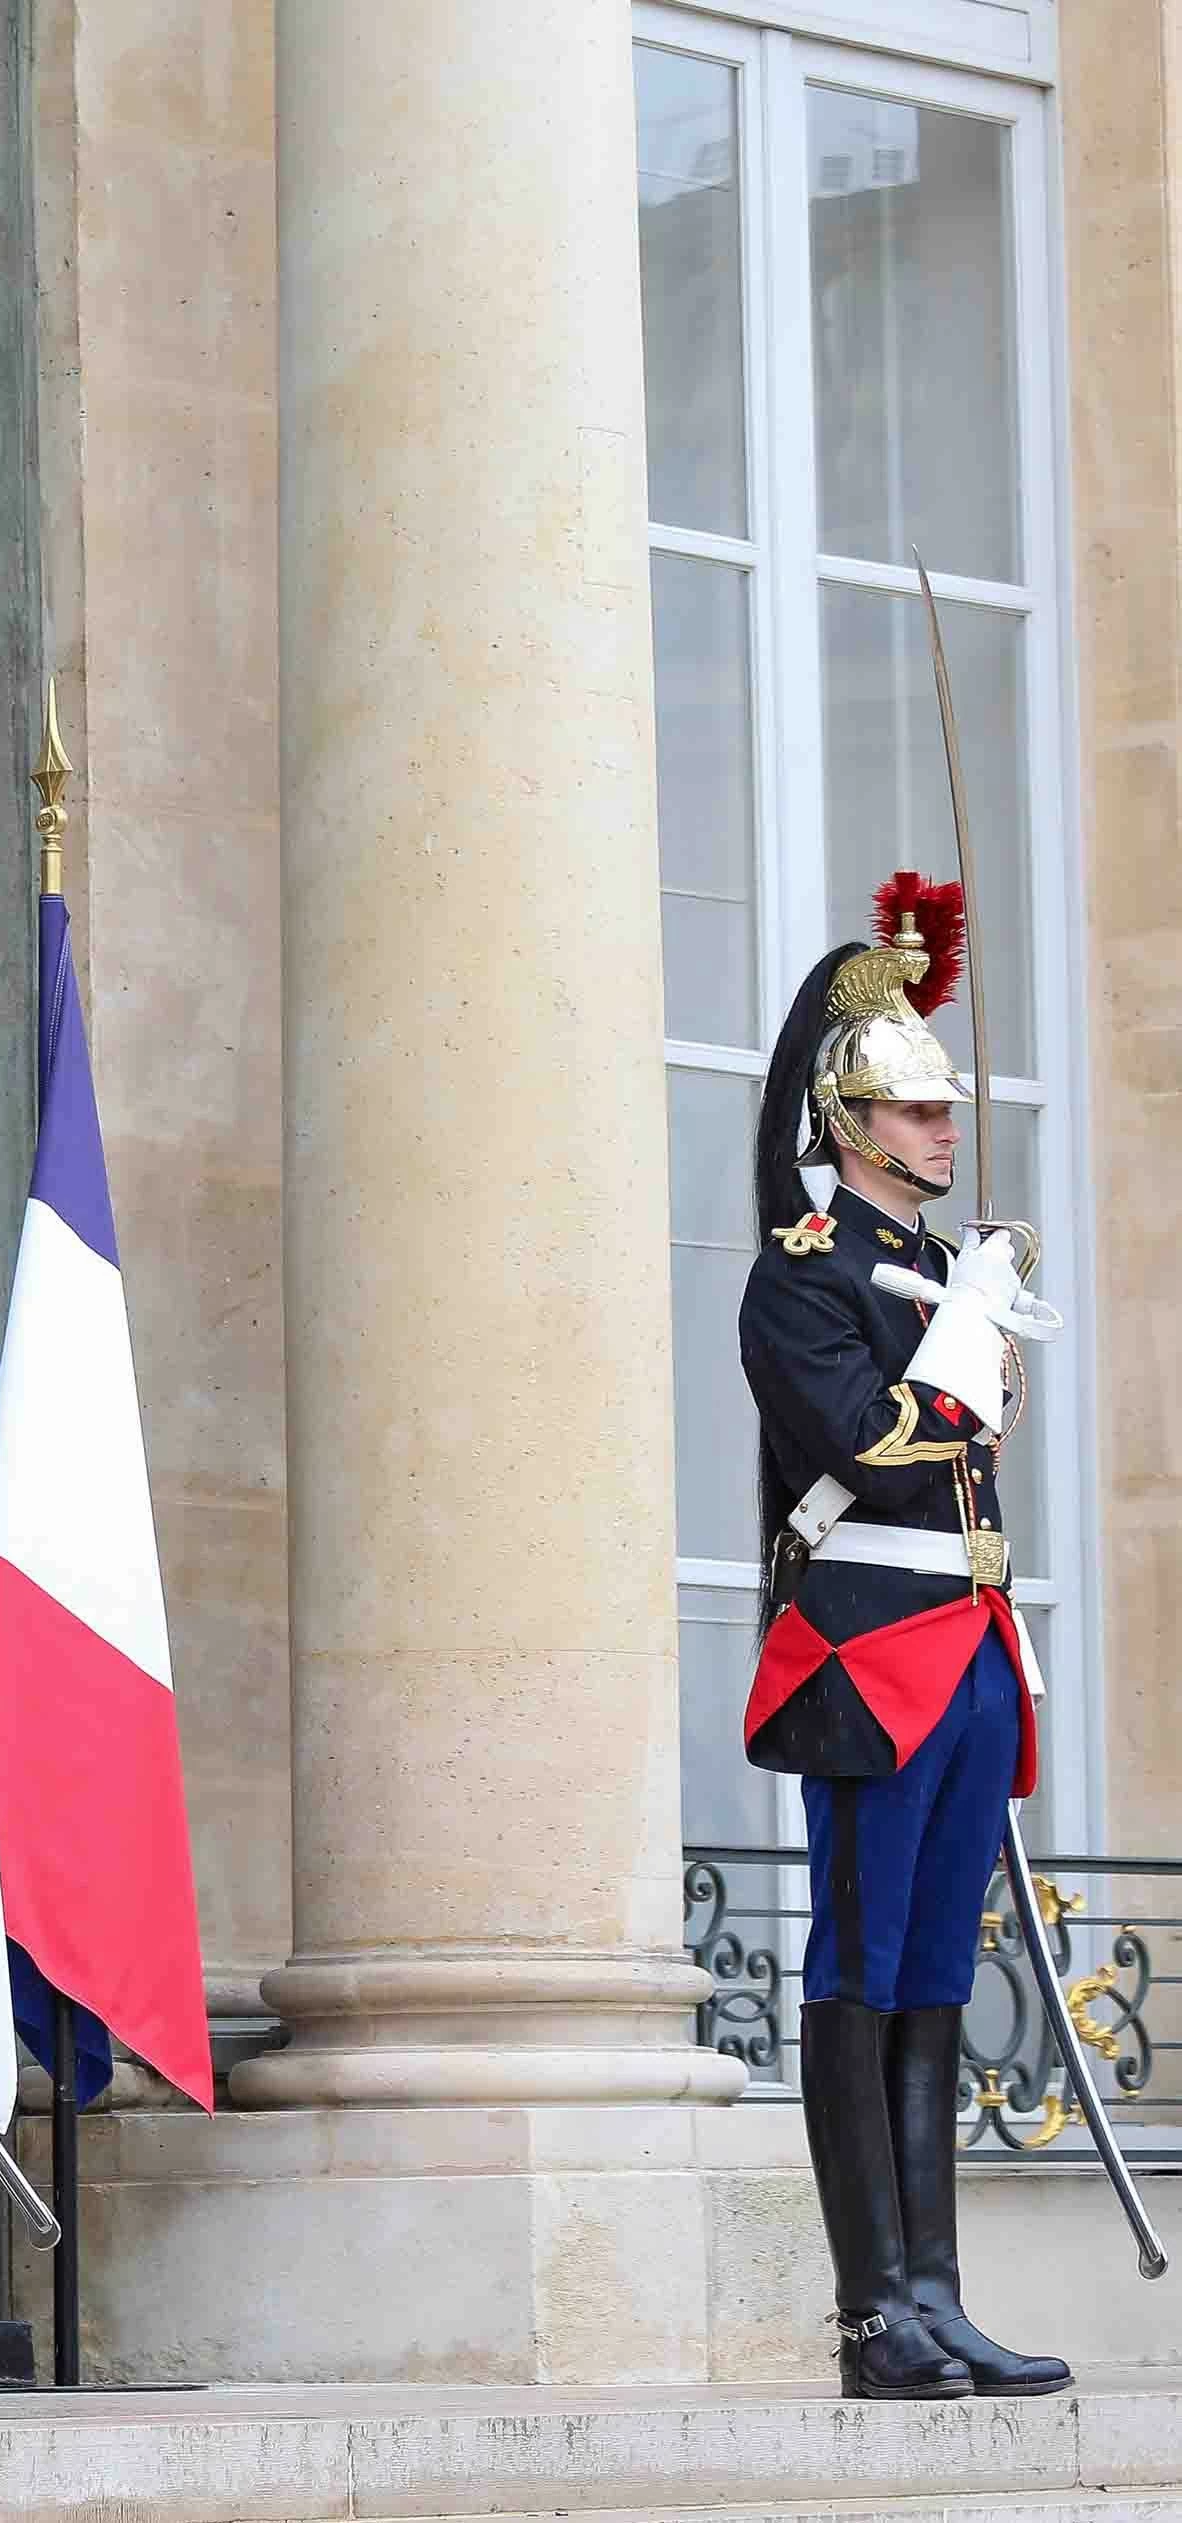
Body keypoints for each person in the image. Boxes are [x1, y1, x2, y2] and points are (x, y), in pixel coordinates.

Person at [741, 873, 1067, 2403]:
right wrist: (957, 1354)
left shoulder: (944, 1275)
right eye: (916, 1113)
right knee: (858, 1966)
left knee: (936, 1970)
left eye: (943, 1113)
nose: (944, 1132)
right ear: (850, 1121)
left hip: (969, 1646)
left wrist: (971, 1313)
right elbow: (865, 1440)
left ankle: (934, 2291)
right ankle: (869, 2310)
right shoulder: (802, 1272)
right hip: (868, 1649)